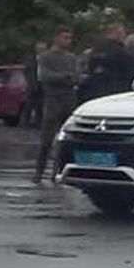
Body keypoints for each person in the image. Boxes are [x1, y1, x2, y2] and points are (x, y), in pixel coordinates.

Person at [33, 28, 80, 184]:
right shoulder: (45, 57)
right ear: (56, 38)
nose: (68, 41)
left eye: (70, 38)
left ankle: (58, 172)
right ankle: (39, 172)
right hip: (52, 100)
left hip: (69, 99)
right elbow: (45, 77)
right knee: (46, 139)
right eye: (65, 37)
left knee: (66, 138)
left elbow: (77, 77)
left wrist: (67, 78)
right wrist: (64, 77)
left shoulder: (72, 58)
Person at [81, 23, 134, 101]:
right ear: (119, 34)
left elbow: (90, 69)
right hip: (117, 91)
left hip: (94, 91)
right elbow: (131, 73)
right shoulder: (123, 52)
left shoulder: (95, 50)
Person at [24, 42, 47, 128]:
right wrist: (30, 83)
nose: (42, 51)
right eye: (40, 49)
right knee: (29, 105)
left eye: (43, 49)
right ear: (36, 50)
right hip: (32, 85)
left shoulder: (46, 60)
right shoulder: (31, 60)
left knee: (40, 105)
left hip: (43, 84)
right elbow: (26, 72)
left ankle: (38, 123)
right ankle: (25, 123)